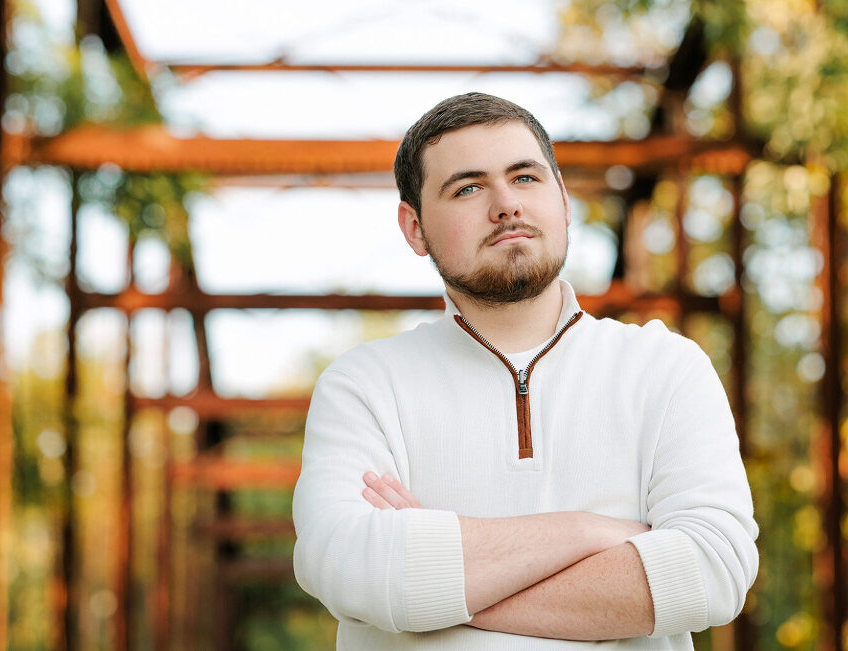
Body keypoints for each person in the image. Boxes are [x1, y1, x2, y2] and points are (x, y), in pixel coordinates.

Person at [292, 92, 758, 646]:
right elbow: (348, 566)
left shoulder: (666, 368)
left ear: (562, 200)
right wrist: (587, 532)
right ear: (414, 228)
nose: (506, 204)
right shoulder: (364, 385)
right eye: (467, 188)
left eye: (526, 178)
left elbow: (709, 574)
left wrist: (429, 580)